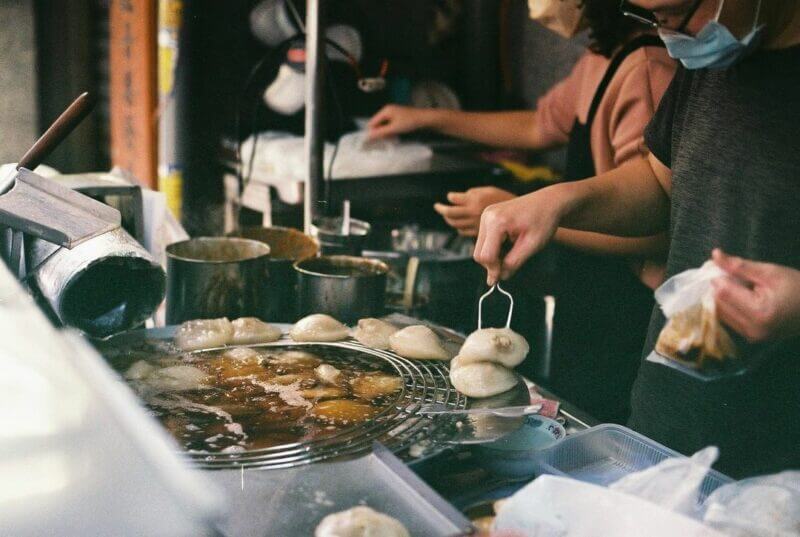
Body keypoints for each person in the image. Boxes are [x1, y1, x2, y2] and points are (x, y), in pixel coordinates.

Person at [473, 0, 800, 477]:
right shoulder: (711, 61)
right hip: (665, 431)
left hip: (775, 471)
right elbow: (662, 182)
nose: (666, 32)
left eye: (674, 11)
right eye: (647, 14)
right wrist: (558, 201)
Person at [369, 0, 677, 422]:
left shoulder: (645, 69)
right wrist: (425, 118)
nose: (535, 8)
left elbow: (651, 228)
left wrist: (532, 217)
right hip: (584, 297)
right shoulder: (601, 57)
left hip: (627, 311)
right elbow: (539, 126)